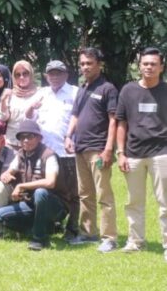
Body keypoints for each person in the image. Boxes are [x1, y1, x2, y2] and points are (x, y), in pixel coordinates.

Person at [65, 48, 119, 253]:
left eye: (89, 63)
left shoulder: (108, 89)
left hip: (98, 149)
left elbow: (114, 121)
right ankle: (88, 233)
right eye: (82, 63)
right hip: (80, 148)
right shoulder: (82, 89)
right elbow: (75, 116)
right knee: (85, 194)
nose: (85, 67)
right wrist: (68, 136)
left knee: (104, 194)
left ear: (99, 64)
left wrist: (108, 149)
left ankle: (110, 238)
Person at [115, 46, 167, 259]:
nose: (149, 67)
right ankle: (136, 242)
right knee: (133, 201)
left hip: (161, 152)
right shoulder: (128, 91)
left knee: (165, 202)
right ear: (139, 66)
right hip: (133, 153)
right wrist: (121, 152)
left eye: (153, 64)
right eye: (145, 63)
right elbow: (121, 123)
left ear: (161, 67)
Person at [0, 120, 73, 250]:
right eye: (22, 137)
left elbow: (50, 182)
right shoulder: (20, 154)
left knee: (41, 192)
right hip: (31, 203)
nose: (25, 140)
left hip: (55, 206)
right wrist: (5, 176)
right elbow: (9, 171)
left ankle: (40, 239)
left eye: (30, 136)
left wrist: (22, 186)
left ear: (39, 138)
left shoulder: (48, 155)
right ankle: (45, 228)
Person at [36, 60, 80, 240]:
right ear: (46, 76)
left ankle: (73, 228)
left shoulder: (75, 92)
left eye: (58, 73)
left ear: (66, 75)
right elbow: (29, 116)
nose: (54, 77)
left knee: (72, 192)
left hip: (66, 152)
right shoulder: (42, 93)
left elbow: (80, 118)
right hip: (45, 153)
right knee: (50, 190)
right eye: (51, 74)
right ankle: (53, 223)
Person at [0, 60, 41, 147]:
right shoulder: (10, 93)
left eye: (25, 73)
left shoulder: (39, 93)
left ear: (31, 75)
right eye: (18, 75)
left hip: (32, 143)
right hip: (12, 142)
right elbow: (2, 118)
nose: (21, 77)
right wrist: (3, 101)